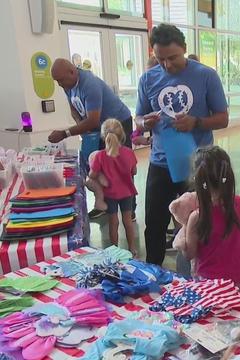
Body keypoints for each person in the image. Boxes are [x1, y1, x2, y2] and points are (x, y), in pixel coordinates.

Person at [135, 23, 229, 266]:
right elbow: (138, 116)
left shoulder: (206, 75)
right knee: (154, 223)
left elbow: (223, 118)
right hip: (160, 163)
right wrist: (144, 122)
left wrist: (196, 122)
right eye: (160, 59)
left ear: (185, 49)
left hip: (198, 165)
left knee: (200, 221)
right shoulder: (147, 79)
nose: (167, 65)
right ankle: (153, 272)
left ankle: (201, 274)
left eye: (173, 58)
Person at [49, 58, 134, 219]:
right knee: (100, 167)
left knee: (120, 166)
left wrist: (64, 133)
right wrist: (81, 126)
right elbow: (73, 109)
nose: (59, 84)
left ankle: (129, 208)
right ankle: (105, 204)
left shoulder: (90, 85)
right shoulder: (68, 84)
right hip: (98, 127)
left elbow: (93, 120)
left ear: (72, 72)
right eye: (56, 81)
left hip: (117, 124)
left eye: (60, 80)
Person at [173, 146, 240, 291]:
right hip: (239, 279)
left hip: (208, 282)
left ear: (197, 180)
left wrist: (182, 236)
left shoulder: (197, 217)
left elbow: (189, 254)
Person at [88, 119, 138, 257]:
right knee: (128, 221)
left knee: (113, 221)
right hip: (127, 192)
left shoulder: (100, 156)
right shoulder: (129, 152)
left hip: (110, 193)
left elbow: (92, 175)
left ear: (104, 136)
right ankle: (133, 249)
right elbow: (134, 172)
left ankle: (114, 249)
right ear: (122, 134)